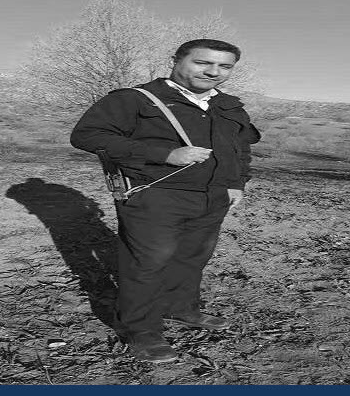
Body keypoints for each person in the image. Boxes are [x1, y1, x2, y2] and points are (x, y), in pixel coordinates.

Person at [70, 39, 261, 363]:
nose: (213, 72)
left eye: (224, 66)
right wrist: (165, 154)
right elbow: (87, 135)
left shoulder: (229, 106)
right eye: (203, 63)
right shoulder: (134, 99)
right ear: (175, 60)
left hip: (214, 195)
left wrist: (236, 183)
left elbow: (240, 149)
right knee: (147, 264)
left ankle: (180, 307)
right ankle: (140, 330)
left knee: (192, 258)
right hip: (155, 194)